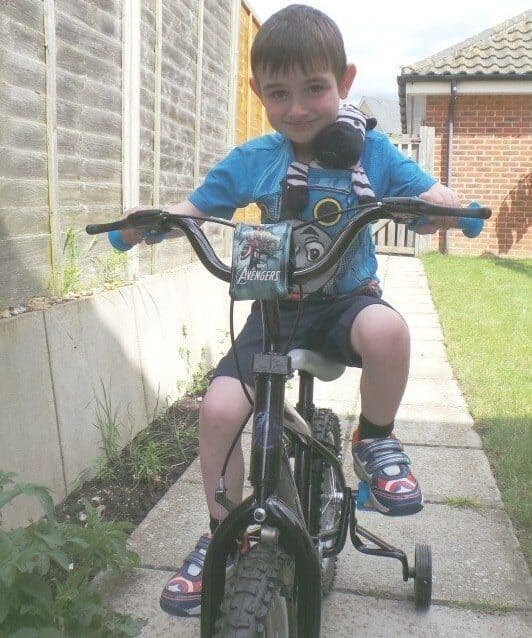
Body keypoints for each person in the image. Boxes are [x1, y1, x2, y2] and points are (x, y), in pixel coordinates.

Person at [117, 4, 460, 617]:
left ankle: (374, 440)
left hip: (347, 303)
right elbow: (197, 207)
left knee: (388, 332)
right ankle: (226, 533)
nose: (299, 108)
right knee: (219, 408)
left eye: (315, 89)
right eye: (279, 93)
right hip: (275, 310)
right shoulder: (257, 160)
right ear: (258, 93)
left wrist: (449, 207)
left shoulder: (372, 154)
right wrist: (149, 225)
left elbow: (424, 190)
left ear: (345, 82)